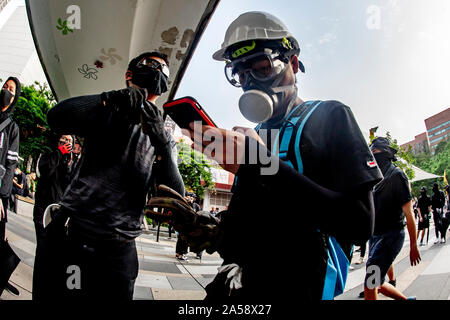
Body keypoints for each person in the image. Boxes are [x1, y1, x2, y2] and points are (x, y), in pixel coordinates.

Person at [179, 11, 383, 300]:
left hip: (299, 287)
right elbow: (249, 231)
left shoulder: (330, 116)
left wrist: (259, 163)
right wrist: (214, 232)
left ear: (294, 64)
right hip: (235, 287)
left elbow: (358, 225)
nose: (250, 83)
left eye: (262, 68)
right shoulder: (253, 137)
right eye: (240, 74)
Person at [32, 51, 184, 300]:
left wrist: (162, 144)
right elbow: (56, 117)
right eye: (151, 64)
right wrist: (112, 99)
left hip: (118, 249)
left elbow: (177, 195)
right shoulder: (106, 110)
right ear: (129, 75)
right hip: (73, 233)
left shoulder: (164, 136)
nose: (159, 70)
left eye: (165, 69)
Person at [363, 137, 421, 300]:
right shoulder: (375, 176)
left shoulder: (397, 175)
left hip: (391, 236)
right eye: (371, 151)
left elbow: (409, 214)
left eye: (376, 151)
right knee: (377, 283)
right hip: (375, 237)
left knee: (370, 284)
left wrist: (414, 245)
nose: (373, 155)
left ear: (386, 153)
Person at [0, 76, 21, 297]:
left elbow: (10, 163)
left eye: (11, 89)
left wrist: (1, 196)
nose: (6, 90)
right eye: (5, 86)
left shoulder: (12, 127)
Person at [32, 134, 73, 246]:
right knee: (42, 245)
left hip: (57, 210)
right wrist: (59, 153)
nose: (66, 142)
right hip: (43, 209)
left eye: (69, 141)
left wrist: (68, 164)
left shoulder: (68, 161)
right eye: (64, 139)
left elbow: (68, 184)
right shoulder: (49, 153)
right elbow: (46, 171)